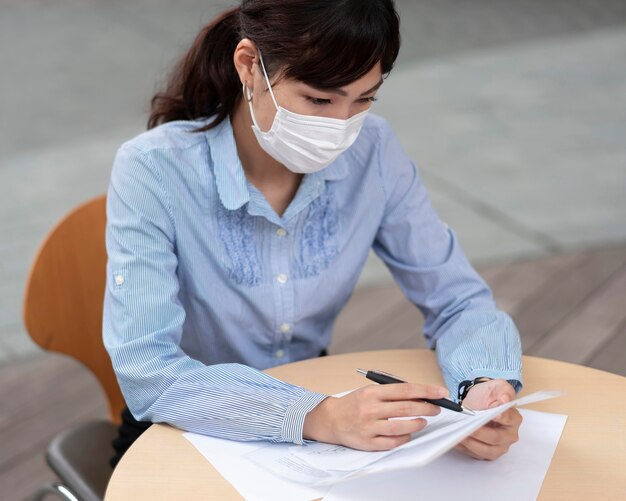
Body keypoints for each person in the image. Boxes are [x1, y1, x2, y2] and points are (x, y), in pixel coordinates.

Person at [103, 0, 523, 467]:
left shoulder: (373, 151)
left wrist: (483, 383)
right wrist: (316, 415)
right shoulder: (153, 169)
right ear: (249, 66)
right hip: (181, 432)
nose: (340, 125)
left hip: (319, 432)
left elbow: (458, 299)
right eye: (319, 99)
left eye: (363, 99)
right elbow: (149, 371)